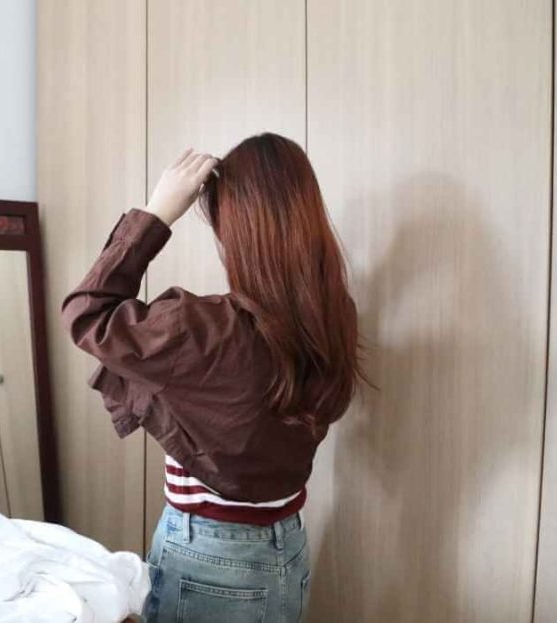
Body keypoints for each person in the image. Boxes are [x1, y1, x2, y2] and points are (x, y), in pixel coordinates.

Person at [62, 132, 364, 622]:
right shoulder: (334, 315)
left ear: (235, 228)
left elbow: (87, 313)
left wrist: (156, 214)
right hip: (288, 548)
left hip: (209, 556)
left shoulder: (202, 329)